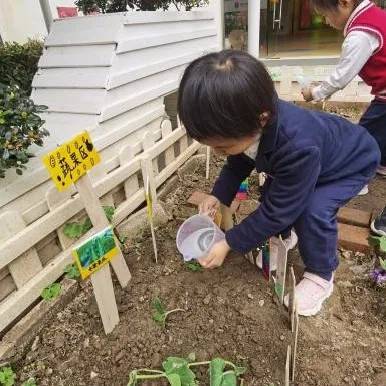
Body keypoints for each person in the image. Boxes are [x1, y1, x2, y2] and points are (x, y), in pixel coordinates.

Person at [177, 50, 380, 316]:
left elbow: (278, 209)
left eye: (223, 147)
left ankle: (321, 274)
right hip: (320, 155)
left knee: (312, 210)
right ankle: (285, 237)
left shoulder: (296, 145)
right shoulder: (253, 119)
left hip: (350, 164)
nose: (219, 153)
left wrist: (230, 242)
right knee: (276, 190)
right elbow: (239, 160)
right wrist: (220, 195)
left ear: (261, 119)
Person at [302, 0, 386, 237]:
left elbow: (342, 76)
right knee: (373, 133)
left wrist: (316, 93)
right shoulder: (374, 15)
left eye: (325, 16)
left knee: (362, 139)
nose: (327, 22)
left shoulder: (361, 33)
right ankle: (372, 165)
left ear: (344, 3)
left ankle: (355, 174)